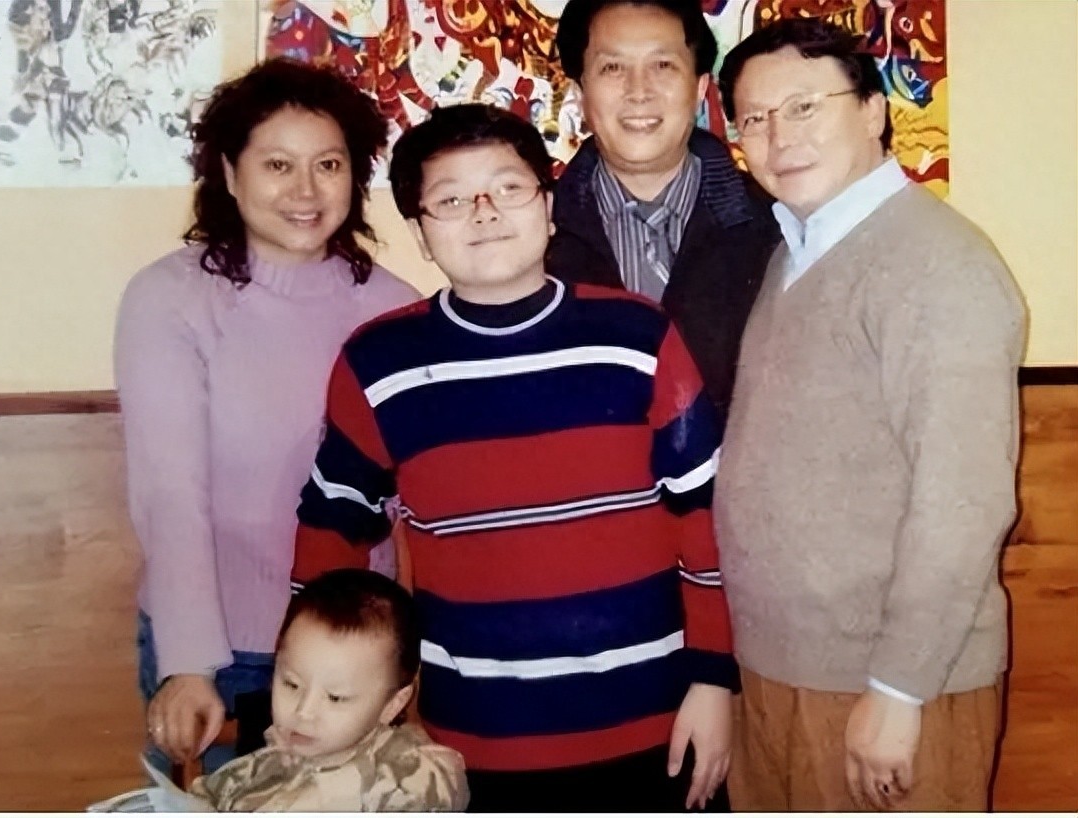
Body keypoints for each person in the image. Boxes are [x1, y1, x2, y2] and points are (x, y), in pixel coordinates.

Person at [290, 103, 738, 812]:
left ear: (548, 207)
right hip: (476, 736)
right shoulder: (379, 362)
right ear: (420, 233)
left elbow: (704, 515)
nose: (485, 213)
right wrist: (321, 692)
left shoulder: (637, 336)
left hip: (658, 719)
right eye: (451, 200)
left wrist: (714, 679)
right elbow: (330, 530)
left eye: (508, 188)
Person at [712, 17, 1026, 812]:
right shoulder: (796, 249)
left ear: (873, 111)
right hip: (781, 667)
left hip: (886, 683)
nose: (778, 136)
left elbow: (964, 500)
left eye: (804, 106)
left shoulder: (937, 264)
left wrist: (898, 688)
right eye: (755, 118)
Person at [114, 58, 419, 773]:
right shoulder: (170, 300)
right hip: (225, 647)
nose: (305, 191)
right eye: (278, 165)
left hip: (352, 650)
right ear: (229, 172)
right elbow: (171, 494)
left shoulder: (395, 308)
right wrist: (188, 663)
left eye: (328, 164)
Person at [547, 0, 781, 420]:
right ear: (580, 95)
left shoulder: (779, 227)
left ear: (699, 88)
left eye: (663, 66)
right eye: (612, 68)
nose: (639, 91)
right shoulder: (531, 234)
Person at [187, 568, 469, 811]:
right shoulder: (261, 766)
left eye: (335, 697)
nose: (303, 711)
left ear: (392, 705)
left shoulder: (407, 781)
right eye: (291, 684)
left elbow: (440, 781)